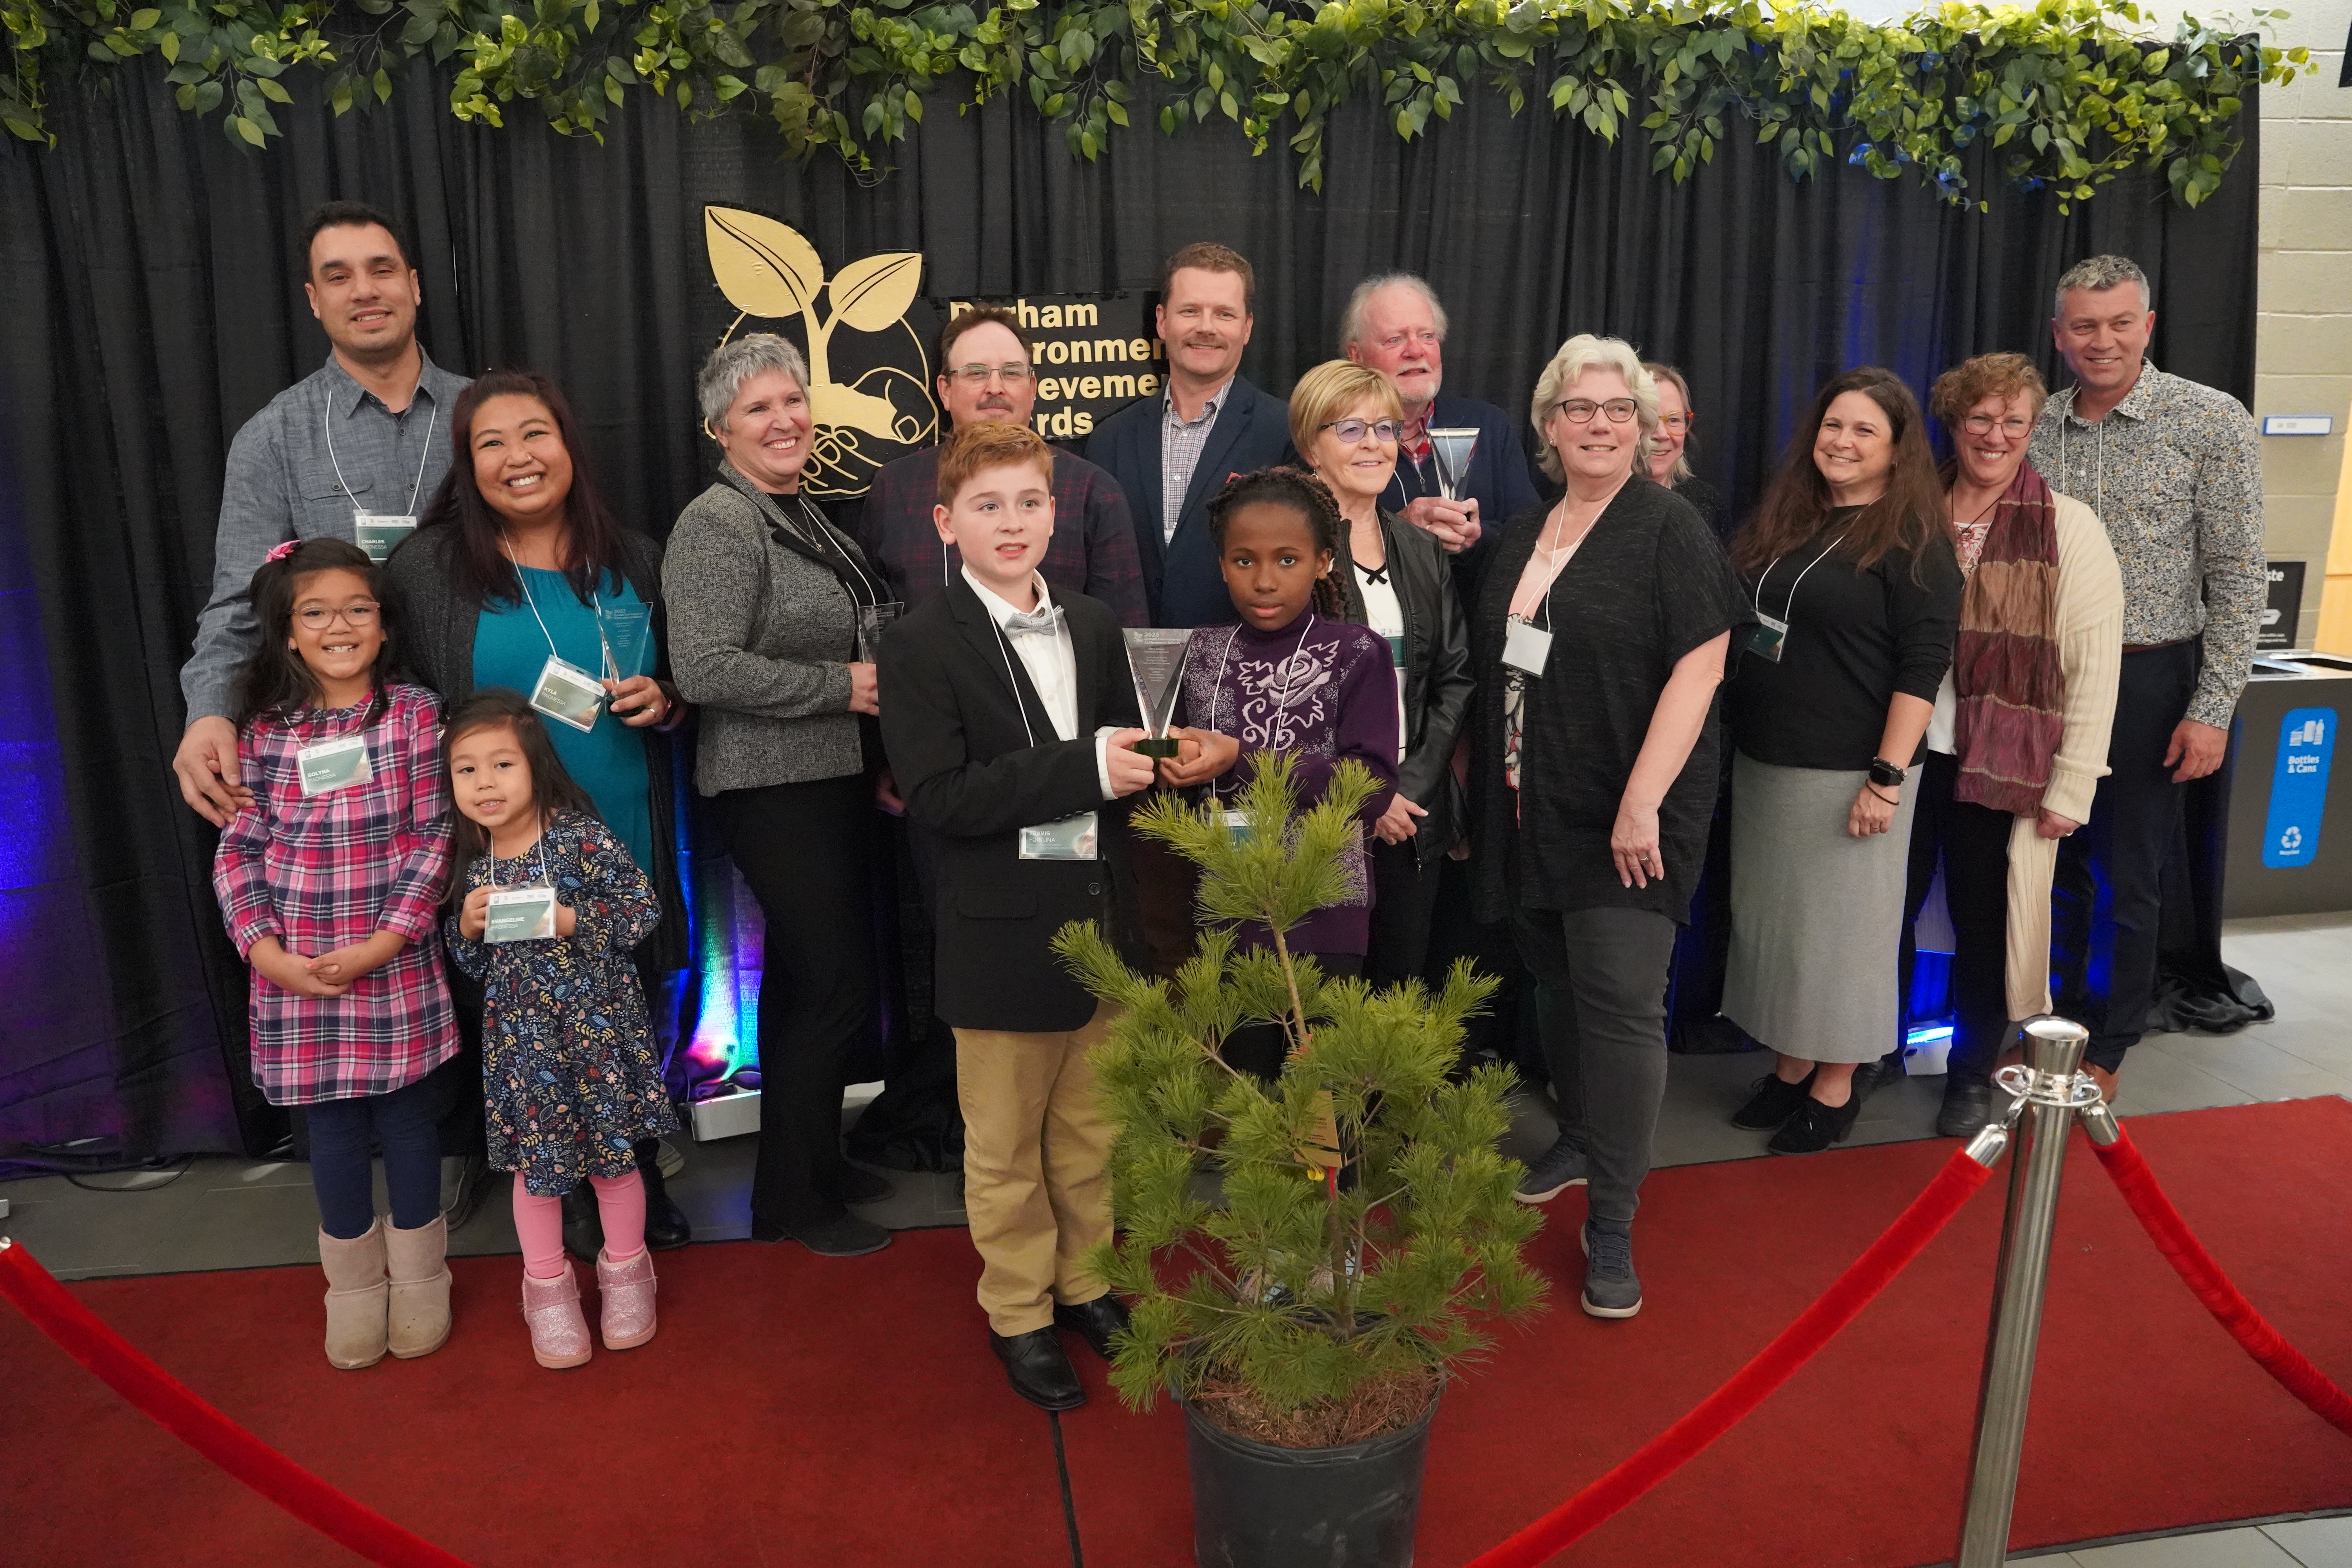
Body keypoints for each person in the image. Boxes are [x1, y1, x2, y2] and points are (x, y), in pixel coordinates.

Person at [877, 420, 1157, 1411]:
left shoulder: (1091, 621)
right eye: (988, 505)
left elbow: (1126, 767)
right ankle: (1019, 1312)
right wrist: (1084, 767)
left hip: (1099, 924)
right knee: (1003, 1151)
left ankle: (1084, 1285)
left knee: (1089, 1133)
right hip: (998, 937)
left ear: (1056, 512)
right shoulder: (914, 643)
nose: (1013, 520)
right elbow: (942, 797)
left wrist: (1177, 762)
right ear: (947, 522)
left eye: (1029, 501)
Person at [383, 368, 693, 1253]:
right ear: (467, 464)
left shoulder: (632, 556)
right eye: (492, 442)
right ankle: (553, 1186)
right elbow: (403, 705)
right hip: (506, 849)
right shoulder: (431, 569)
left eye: (536, 435)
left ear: (570, 447)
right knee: (534, 1022)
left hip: (621, 827)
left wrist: (666, 699)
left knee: (628, 1004)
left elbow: (686, 683)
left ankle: (633, 1163)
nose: (519, 457)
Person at [1466, 336, 1743, 1320]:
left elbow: (1701, 669)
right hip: (1527, 805)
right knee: (1553, 977)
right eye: (1578, 408)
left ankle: (1614, 1219)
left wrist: (1640, 803)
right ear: (1548, 425)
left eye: (1617, 409)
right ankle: (1579, 1135)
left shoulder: (1669, 530)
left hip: (1631, 811)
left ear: (1643, 426)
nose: (1598, 423)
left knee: (1622, 1005)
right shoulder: (1523, 534)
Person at [664, 333, 898, 1258]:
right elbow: (704, 665)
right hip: (770, 784)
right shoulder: (716, 524)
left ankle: (815, 1165)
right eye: (759, 407)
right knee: (833, 983)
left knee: (813, 981)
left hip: (832, 775)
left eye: (793, 401)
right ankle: (791, 1200)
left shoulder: (802, 514)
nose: (784, 419)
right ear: (720, 427)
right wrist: (841, 688)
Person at [210, 538, 459, 1370]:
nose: (339, 625)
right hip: (296, 972)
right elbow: (240, 849)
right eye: (315, 611)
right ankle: (352, 1286)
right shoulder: (265, 731)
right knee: (334, 1130)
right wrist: (266, 950)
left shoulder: (416, 715)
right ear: (287, 632)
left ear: (384, 625)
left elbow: (435, 834)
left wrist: (389, 937)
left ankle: (423, 1273)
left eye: (358, 607)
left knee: (409, 1118)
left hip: (391, 955)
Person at [2028, 254, 2265, 1097]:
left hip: (2151, 676)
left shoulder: (2211, 421)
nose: (2103, 341)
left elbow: (2239, 576)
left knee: (2133, 871)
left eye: (2119, 322)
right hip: (2042, 683)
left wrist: (2213, 709)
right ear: (2059, 335)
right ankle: (2046, 1019)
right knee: (2049, 862)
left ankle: (2113, 1040)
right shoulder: (2038, 425)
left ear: (2148, 326)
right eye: (2084, 325)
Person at [1722, 367, 1962, 1152]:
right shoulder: (1793, 518)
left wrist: (1887, 779)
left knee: (1844, 941)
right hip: (1769, 765)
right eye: (1833, 425)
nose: (1843, 441)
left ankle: (1838, 1079)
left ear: (1898, 452)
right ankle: (1793, 1066)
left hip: (1855, 775)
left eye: (1864, 430)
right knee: (1784, 934)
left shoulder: (1915, 543)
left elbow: (1921, 671)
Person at [175, 201, 470, 828]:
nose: (364, 291)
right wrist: (209, 714)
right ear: (314, 300)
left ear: (414, 284)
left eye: (382, 270)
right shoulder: (272, 438)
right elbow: (239, 602)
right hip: (356, 764)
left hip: (489, 734)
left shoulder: (486, 418)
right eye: (339, 277)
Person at [1905, 354, 2123, 1138]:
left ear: (2033, 430)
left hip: (2001, 764)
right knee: (1882, 914)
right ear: (1954, 421)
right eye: (1980, 418)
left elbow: (2093, 673)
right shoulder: (1908, 508)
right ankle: (1858, 1056)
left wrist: (2073, 787)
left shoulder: (2069, 526)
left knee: (1986, 923)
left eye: (2014, 421)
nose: (1995, 435)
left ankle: (1970, 1073)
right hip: (1902, 753)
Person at [443, 690, 677, 1369]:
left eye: (502, 765)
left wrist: (568, 919)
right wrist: (464, 928)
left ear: (536, 766)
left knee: (614, 1162)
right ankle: (547, 1292)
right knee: (538, 1176)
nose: (485, 783)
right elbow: (472, 964)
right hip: (524, 1049)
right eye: (466, 770)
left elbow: (641, 913)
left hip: (599, 1034)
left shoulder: (578, 836)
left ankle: (628, 1274)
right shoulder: (474, 862)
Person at [1158, 469, 1400, 990]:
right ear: (1222, 566)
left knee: (1317, 1066)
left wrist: (1238, 759)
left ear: (1324, 562)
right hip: (1225, 912)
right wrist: (1161, 756)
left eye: (1287, 560)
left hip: (1326, 919)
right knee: (1239, 1071)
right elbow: (1171, 749)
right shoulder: (1199, 652)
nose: (1265, 581)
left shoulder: (1356, 652)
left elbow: (1373, 787)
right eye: (1244, 561)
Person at [1290, 360, 1475, 988]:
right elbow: (1284, 699)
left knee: (1398, 998)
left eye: (1385, 428)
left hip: (1413, 816)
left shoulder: (1420, 548)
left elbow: (1455, 679)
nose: (1373, 443)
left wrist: (1409, 789)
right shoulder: (1289, 551)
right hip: (1321, 814)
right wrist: (1368, 797)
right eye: (1350, 429)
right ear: (1310, 444)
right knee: (1323, 1002)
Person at [858, 305, 1147, 626]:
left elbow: (1124, 636)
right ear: (945, 391)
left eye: (1011, 372)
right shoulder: (895, 487)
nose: (995, 388)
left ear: (1033, 389)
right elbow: (875, 620)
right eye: (976, 373)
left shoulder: (1091, 491)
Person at [1088, 244, 1294, 628]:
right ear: (1162, 321)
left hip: (1246, 671)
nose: (1206, 327)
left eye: (1224, 314)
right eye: (1190, 311)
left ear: (1247, 328)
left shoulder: (1286, 432)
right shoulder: (1108, 441)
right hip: (1128, 669)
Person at [1339, 273, 1543, 578]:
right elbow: (1313, 542)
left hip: (1474, 618)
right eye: (1395, 339)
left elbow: (1532, 535)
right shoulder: (1336, 437)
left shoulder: (1489, 425)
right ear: (1356, 356)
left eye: (1427, 336)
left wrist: (1474, 537)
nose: (1416, 351)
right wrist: (1398, 529)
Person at [1642, 363, 1728, 541]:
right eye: (1649, 420)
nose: (1662, 435)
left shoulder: (1705, 502)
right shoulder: (1591, 504)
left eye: (1674, 420)